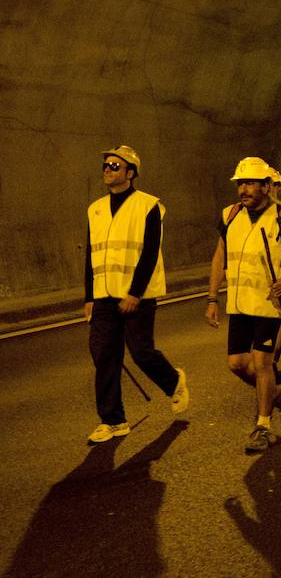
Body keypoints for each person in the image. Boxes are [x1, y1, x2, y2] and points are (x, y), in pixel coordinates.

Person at [84, 145, 189, 444]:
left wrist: (135, 293)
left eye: (115, 166)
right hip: (104, 294)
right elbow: (90, 255)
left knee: (141, 353)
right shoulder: (95, 209)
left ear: (130, 173)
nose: (107, 169)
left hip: (136, 296)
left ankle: (174, 381)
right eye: (105, 165)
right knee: (104, 355)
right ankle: (113, 421)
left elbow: (149, 254)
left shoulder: (149, 206)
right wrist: (89, 297)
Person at [205, 157, 281, 453]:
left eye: (250, 183)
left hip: (268, 304)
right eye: (240, 184)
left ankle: (263, 426)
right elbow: (219, 258)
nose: (243, 190)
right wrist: (212, 298)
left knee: (262, 362)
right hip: (239, 304)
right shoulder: (230, 215)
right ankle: (274, 390)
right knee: (237, 364)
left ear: (266, 186)